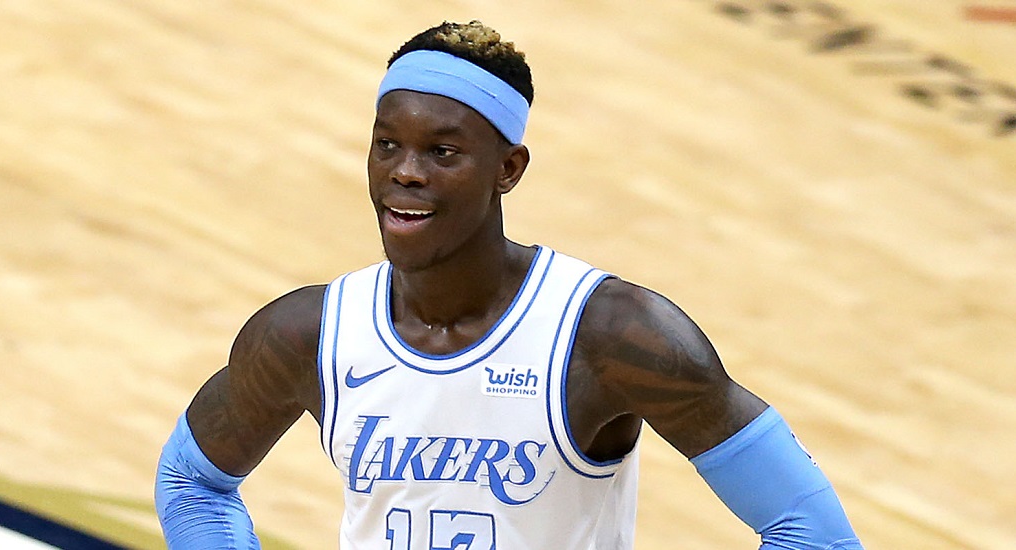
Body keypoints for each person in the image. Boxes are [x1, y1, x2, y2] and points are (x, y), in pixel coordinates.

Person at [155, 20, 863, 549]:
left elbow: (813, 533)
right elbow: (192, 484)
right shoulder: (306, 335)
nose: (405, 172)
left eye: (442, 151)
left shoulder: (614, 335)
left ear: (508, 169)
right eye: (387, 144)